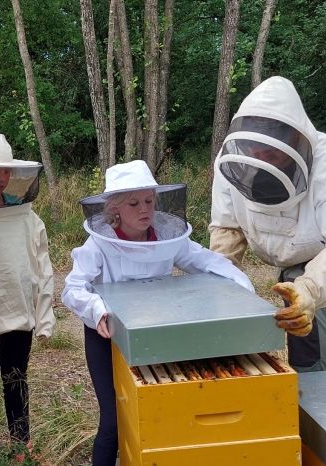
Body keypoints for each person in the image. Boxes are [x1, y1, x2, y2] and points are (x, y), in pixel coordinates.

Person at [61, 160, 254, 466]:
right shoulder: (97, 245)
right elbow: (72, 288)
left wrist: (242, 285)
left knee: (158, 413)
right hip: (107, 338)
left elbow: (206, 261)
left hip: (156, 335)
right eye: (134, 203)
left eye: (149, 201)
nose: (144, 209)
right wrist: (96, 309)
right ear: (115, 209)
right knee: (113, 422)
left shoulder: (167, 237)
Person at [209, 76, 326, 372]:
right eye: (256, 150)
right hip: (288, 245)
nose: (261, 157)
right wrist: (220, 287)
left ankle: (317, 387)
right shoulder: (232, 160)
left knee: (301, 309)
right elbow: (227, 230)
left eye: (272, 151)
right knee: (308, 305)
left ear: (295, 139)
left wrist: (310, 290)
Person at [0, 133, 54, 446]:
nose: (1, 178)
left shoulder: (25, 215)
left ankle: (21, 445)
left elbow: (41, 266)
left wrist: (44, 315)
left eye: (5, 170)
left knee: (16, 378)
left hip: (19, 310)